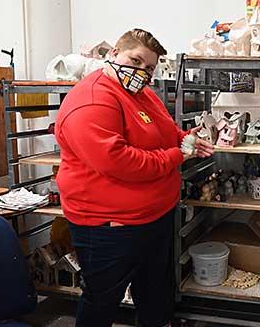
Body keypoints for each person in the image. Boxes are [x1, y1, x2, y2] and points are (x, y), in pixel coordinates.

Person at [54, 28, 214, 327]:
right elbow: (122, 163)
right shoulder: (91, 101)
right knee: (102, 300)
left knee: (154, 291)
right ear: (114, 54)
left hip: (154, 217)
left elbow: (164, 131)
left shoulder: (142, 94)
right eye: (135, 60)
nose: (141, 71)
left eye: (149, 67)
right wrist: (179, 155)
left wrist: (185, 138)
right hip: (111, 226)